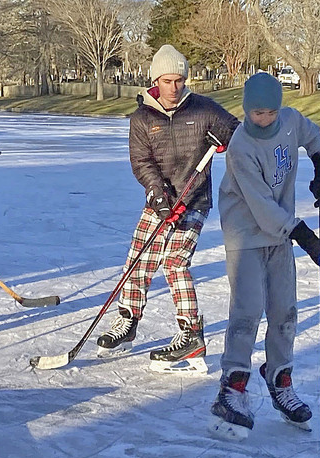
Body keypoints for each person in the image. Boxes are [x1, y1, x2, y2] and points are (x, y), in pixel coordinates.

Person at [95, 45, 239, 372]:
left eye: (179, 80)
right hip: (161, 198)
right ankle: (128, 321)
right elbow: (141, 162)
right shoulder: (143, 117)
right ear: (155, 80)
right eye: (167, 81)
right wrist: (157, 194)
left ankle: (191, 334)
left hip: (193, 199)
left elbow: (236, 130)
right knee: (139, 258)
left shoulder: (202, 109)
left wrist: (226, 140)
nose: (174, 88)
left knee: (174, 262)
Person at [210, 72, 320, 439]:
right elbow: (263, 209)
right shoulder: (240, 148)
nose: (263, 119)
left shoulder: (290, 121)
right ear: (246, 110)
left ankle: (280, 378)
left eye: (269, 112)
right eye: (256, 113)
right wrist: (307, 238)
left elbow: (312, 137)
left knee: (285, 309)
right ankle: (231, 387)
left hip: (279, 233)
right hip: (247, 233)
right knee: (248, 310)